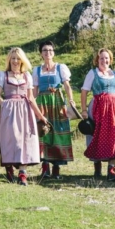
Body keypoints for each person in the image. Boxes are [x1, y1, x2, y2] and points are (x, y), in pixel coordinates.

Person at [0, 47, 48, 185]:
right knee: (10, 140)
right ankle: (9, 168)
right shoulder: (3, 75)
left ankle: (22, 173)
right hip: (9, 111)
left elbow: (31, 98)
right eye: (13, 58)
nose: (15, 61)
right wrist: (5, 106)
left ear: (22, 60)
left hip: (25, 111)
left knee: (25, 140)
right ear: (9, 60)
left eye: (18, 58)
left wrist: (40, 116)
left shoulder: (27, 76)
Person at [33, 41, 75, 180]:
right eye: (45, 50)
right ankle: (45, 166)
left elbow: (67, 85)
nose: (48, 52)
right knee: (43, 131)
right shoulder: (37, 70)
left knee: (58, 132)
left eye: (50, 50)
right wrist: (32, 106)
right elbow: (34, 90)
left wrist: (70, 100)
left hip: (57, 102)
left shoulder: (61, 67)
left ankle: (56, 167)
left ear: (54, 52)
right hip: (42, 103)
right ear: (41, 53)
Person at [80, 48, 115, 181]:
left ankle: (111, 169)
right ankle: (97, 166)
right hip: (98, 108)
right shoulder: (93, 73)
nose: (104, 61)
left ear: (110, 60)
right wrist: (83, 110)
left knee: (114, 137)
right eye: (101, 58)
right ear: (97, 60)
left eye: (106, 58)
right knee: (97, 136)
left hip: (114, 109)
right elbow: (84, 91)